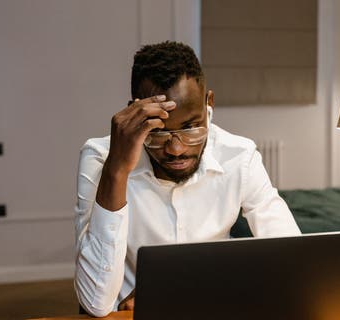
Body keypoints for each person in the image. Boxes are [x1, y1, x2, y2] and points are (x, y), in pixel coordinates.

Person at [74, 41, 301, 317]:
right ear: (135, 113)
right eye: (158, 132)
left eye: (191, 127)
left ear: (209, 104)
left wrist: (178, 290)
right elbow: (94, 303)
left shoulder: (239, 156)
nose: (176, 149)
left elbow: (293, 261)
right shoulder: (100, 159)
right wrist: (117, 170)